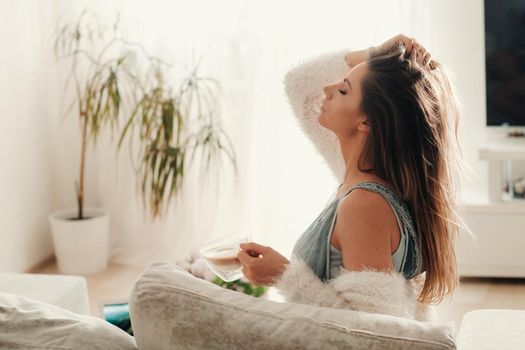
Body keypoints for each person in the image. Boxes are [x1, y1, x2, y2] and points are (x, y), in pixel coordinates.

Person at [237, 34, 466, 321]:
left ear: (365, 122)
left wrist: (283, 275)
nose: (327, 88)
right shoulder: (368, 176)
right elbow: (299, 84)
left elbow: (372, 333)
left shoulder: (365, 205)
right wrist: (378, 53)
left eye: (344, 90)